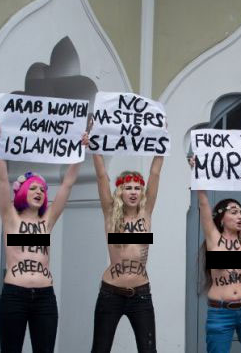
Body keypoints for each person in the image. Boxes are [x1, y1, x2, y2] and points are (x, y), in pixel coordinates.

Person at [0, 121, 87, 353]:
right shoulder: (10, 217)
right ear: (23, 191)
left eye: (42, 190)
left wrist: (80, 150)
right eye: (33, 188)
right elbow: (2, 180)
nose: (39, 192)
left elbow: (67, 184)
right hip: (14, 295)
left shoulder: (47, 221)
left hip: (45, 298)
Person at [90, 148, 164, 353]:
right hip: (110, 293)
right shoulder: (110, 213)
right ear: (120, 192)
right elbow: (101, 176)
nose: (133, 192)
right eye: (128, 188)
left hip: (141, 294)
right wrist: (94, 148)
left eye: (137, 188)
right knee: (100, 349)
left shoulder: (145, 213)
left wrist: (161, 146)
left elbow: (155, 174)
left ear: (142, 193)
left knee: (148, 350)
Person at [191, 156, 241, 353]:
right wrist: (197, 171)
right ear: (221, 218)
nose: (240, 216)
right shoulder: (213, 238)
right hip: (220, 312)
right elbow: (203, 202)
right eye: (234, 212)